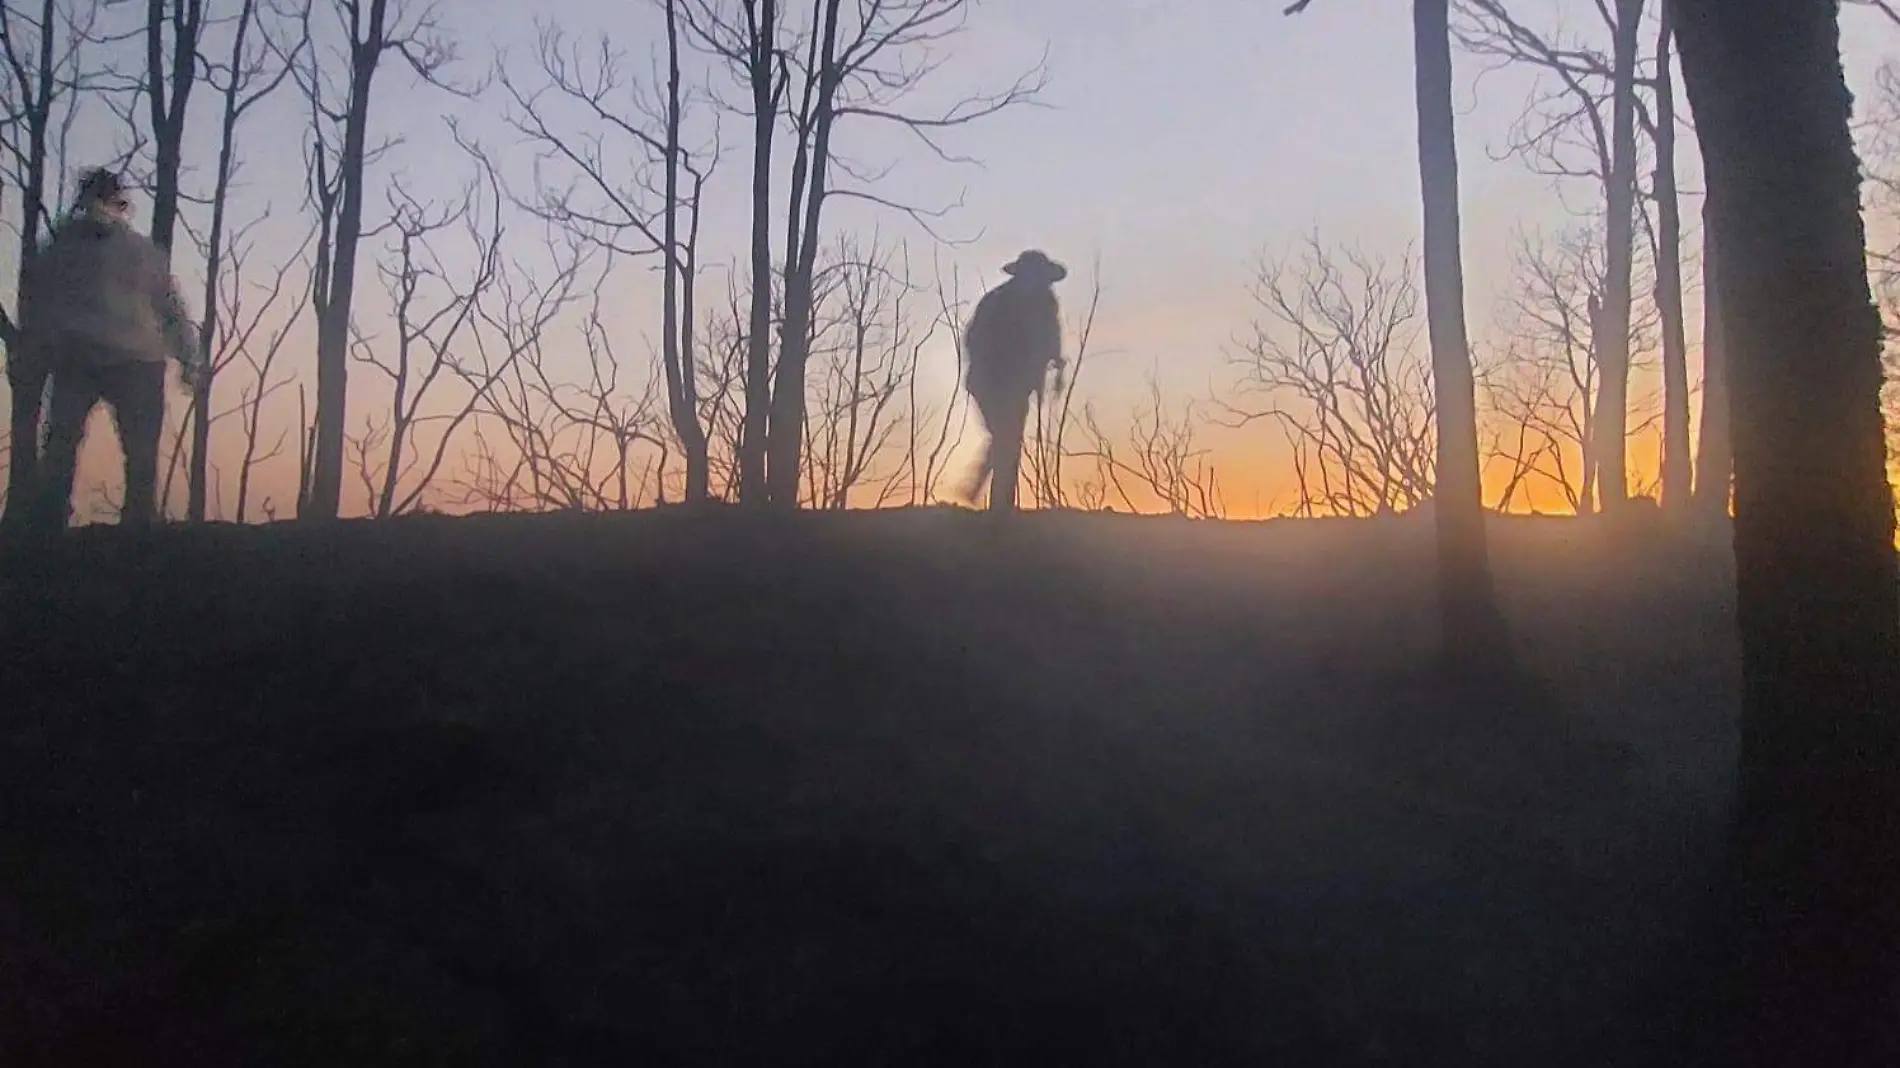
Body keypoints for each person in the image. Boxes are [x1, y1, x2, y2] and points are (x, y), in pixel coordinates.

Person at [18, 168, 202, 530]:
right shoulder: (67, 249)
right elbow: (169, 306)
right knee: (77, 446)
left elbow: (168, 306)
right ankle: (64, 525)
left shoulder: (83, 249)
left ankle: (123, 526)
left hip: (118, 358)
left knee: (108, 448)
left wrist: (188, 356)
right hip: (100, 357)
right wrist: (188, 357)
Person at [960, 249, 1068, 512]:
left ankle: (999, 505)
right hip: (989, 380)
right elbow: (974, 339)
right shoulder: (998, 302)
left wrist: (1053, 362)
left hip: (1018, 384)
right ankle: (996, 504)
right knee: (1005, 437)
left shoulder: (1045, 303)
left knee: (1007, 438)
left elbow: (1050, 337)